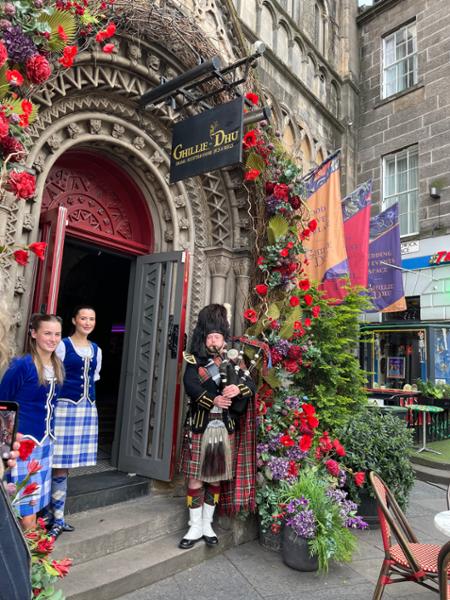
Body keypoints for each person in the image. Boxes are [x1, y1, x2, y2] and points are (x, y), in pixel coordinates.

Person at [179, 304, 256, 550]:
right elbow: (190, 385)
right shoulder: (194, 361)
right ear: (204, 338)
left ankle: (207, 524)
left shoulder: (234, 360)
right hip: (200, 425)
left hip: (224, 426)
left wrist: (237, 389)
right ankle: (194, 526)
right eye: (210, 337)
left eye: (217, 337)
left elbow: (251, 386)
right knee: (195, 479)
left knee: (215, 479)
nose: (213, 341)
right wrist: (213, 400)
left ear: (224, 339)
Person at [0, 313, 64, 531]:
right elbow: (4, 404)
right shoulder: (22, 365)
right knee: (25, 509)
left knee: (34, 507)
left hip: (45, 443)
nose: (53, 339)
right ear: (34, 334)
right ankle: (29, 550)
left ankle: (31, 549)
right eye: (47, 333)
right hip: (23, 444)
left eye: (57, 334)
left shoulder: (57, 365)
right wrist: (5, 447)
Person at [49, 305, 102, 539]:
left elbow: (94, 377)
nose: (87, 322)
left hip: (86, 408)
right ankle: (54, 517)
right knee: (57, 462)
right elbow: (52, 375)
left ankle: (56, 515)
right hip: (64, 408)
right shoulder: (63, 345)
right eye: (83, 318)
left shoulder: (96, 350)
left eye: (91, 319)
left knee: (66, 464)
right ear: (74, 320)